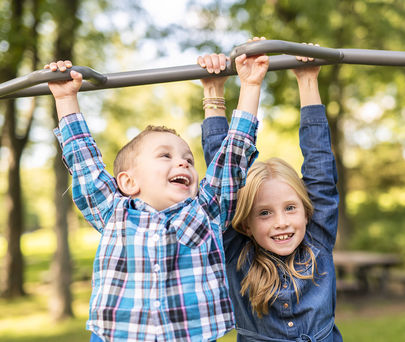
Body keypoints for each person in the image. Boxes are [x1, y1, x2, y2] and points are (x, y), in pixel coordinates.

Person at [46, 47, 268, 342]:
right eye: (165, 156)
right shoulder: (114, 212)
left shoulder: (206, 211)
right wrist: (65, 98)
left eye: (188, 160)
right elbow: (83, 161)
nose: (182, 163)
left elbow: (234, 155)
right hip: (119, 335)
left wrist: (251, 84)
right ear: (128, 181)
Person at [200, 50, 343, 341]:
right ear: (246, 224)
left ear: (306, 211)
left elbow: (320, 170)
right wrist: (213, 93)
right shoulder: (238, 252)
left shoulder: (316, 239)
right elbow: (224, 176)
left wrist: (307, 81)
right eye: (264, 212)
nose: (282, 222)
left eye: (291, 208)